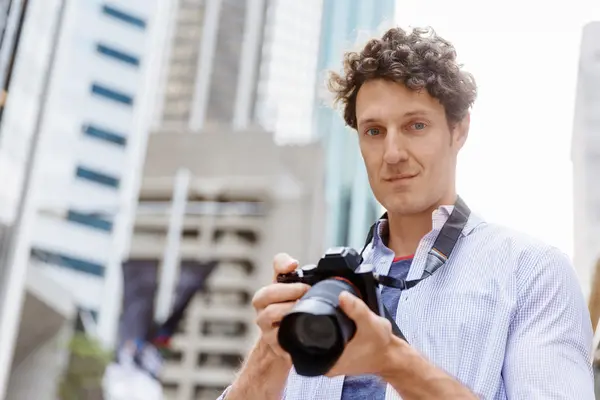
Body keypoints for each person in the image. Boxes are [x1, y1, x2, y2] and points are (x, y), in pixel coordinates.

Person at [217, 26, 594, 399]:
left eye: (416, 125)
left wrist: (393, 362)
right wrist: (269, 354)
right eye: (375, 131)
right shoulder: (320, 292)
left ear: (458, 130)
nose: (393, 153)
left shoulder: (532, 273)